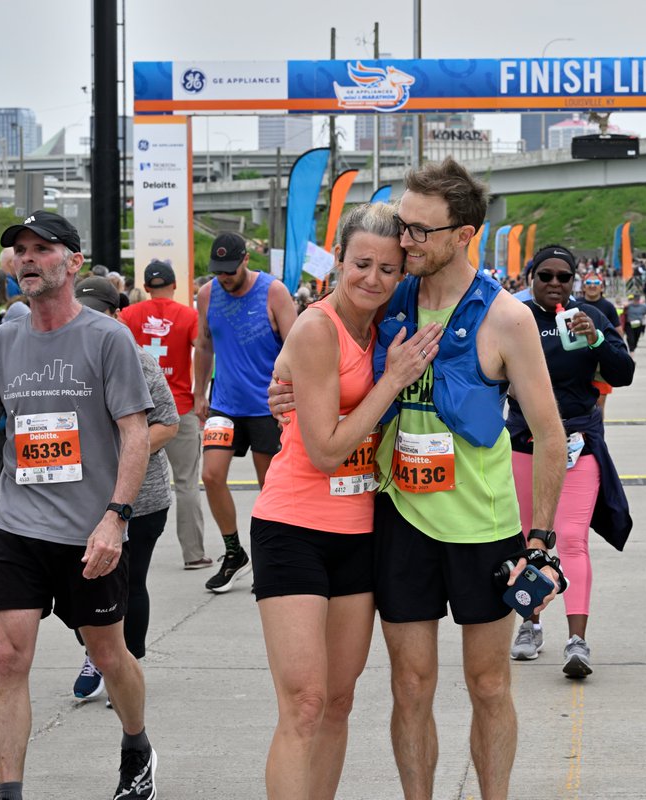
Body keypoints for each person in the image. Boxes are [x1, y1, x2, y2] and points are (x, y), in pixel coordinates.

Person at [370, 159, 566, 800]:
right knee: (411, 685)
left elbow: (549, 433)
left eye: (421, 231)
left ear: (464, 234)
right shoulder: (386, 298)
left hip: (484, 528)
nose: (405, 241)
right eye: (403, 224)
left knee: (488, 685)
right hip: (401, 518)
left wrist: (539, 541)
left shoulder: (505, 318)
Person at [0, 211, 157, 800]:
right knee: (7, 656)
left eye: (43, 248)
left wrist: (115, 518)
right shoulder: (1, 340)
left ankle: (137, 743)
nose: (28, 258)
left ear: (74, 262)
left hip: (91, 529)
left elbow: (136, 433)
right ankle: (11, 792)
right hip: (17, 525)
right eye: (19, 249)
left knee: (108, 654)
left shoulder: (107, 337)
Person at [252, 203, 441, 800]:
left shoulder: (386, 323)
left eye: (388, 269)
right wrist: (393, 380)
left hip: (360, 529)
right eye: (361, 264)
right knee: (304, 702)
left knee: (339, 700)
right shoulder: (316, 328)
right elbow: (327, 451)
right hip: (294, 526)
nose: (373, 280)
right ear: (337, 260)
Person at [507, 244, 634, 677]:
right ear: (531, 278)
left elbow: (624, 373)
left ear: (575, 280)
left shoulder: (590, 318)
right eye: (546, 276)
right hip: (525, 442)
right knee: (529, 539)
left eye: (564, 277)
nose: (555, 284)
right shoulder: (513, 318)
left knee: (575, 538)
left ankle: (577, 641)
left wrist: (597, 340)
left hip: (579, 441)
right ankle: (530, 624)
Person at [69, 277, 179, 705]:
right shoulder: (65, 358)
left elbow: (168, 425)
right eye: (83, 312)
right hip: (83, 499)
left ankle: (126, 668)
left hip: (142, 500)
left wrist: (121, 455)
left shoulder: (138, 360)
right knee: (84, 585)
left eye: (99, 313)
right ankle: (96, 655)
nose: (89, 321)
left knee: (130, 585)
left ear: (118, 315)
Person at [195, 232, 297, 592]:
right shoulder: (207, 294)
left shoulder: (274, 292)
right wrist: (198, 392)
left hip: (267, 406)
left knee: (269, 488)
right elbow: (204, 345)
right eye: (218, 271)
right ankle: (234, 552)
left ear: (245, 261)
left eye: (229, 270)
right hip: (224, 403)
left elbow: (298, 346)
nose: (224, 277)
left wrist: (294, 395)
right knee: (211, 475)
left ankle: (272, 559)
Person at [120, 260, 209, 569]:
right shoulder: (188, 315)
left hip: (137, 411)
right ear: (174, 285)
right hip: (179, 408)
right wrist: (201, 392)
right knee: (186, 483)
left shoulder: (129, 315)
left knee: (128, 482)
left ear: (145, 288)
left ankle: (124, 544)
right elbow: (204, 347)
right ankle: (194, 553)